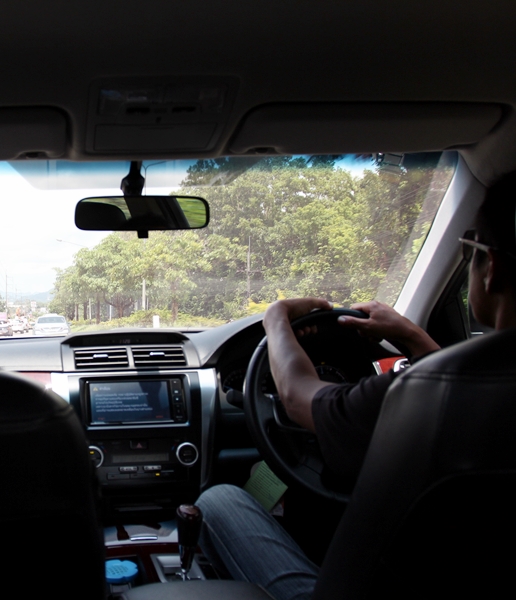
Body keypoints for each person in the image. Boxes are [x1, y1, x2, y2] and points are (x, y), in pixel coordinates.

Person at [196, 171, 516, 600]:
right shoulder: (453, 394)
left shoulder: (418, 397)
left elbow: (296, 397)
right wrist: (410, 334)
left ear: (491, 268)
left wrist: (276, 320)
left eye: (468, 249)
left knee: (218, 500)